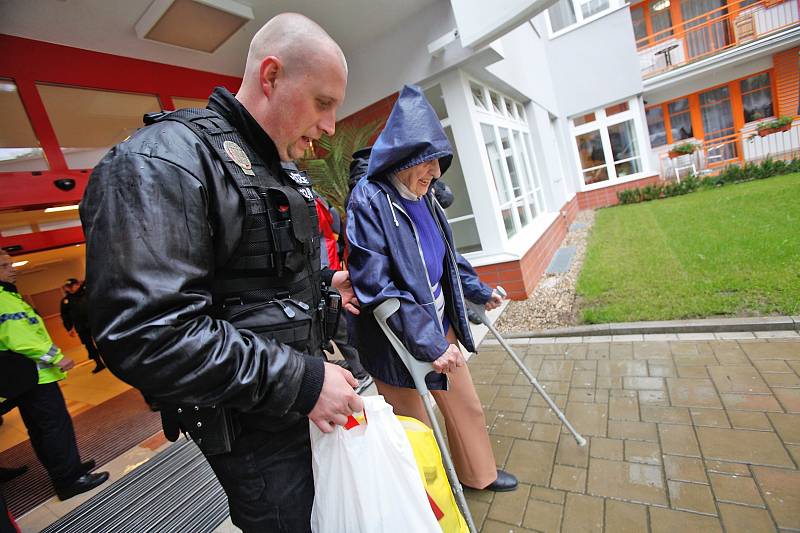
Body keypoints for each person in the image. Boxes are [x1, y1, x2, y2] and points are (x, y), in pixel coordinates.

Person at [80, 13, 362, 532]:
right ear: (271, 76)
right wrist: (303, 380)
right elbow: (149, 332)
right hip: (256, 431)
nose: (329, 127)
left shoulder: (275, 167)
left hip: (295, 408)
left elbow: (247, 286)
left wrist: (324, 288)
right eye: (323, 103)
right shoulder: (163, 160)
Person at [346, 84, 518, 492]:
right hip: (394, 338)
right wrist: (428, 344)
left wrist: (478, 290)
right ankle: (435, 502)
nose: (436, 173)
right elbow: (375, 284)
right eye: (427, 164)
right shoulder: (368, 201)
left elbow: (446, 257)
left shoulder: (425, 198)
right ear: (402, 159)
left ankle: (479, 476)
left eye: (439, 163)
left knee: (466, 408)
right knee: (417, 430)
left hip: (437, 326)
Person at [0, 252, 108, 500]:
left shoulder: (8, 297)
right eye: (5, 266)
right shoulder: (4, 301)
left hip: (26, 379)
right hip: (35, 378)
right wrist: (57, 357)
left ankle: (67, 469)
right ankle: (69, 480)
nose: (12, 269)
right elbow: (22, 339)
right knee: (53, 428)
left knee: (42, 429)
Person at [60, 278, 104, 373]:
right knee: (89, 345)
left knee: (102, 342)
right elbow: (65, 316)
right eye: (68, 287)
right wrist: (69, 328)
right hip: (81, 327)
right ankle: (99, 363)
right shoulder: (66, 301)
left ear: (78, 285)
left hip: (95, 323)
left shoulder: (88, 294)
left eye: (73, 286)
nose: (71, 288)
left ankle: (111, 360)